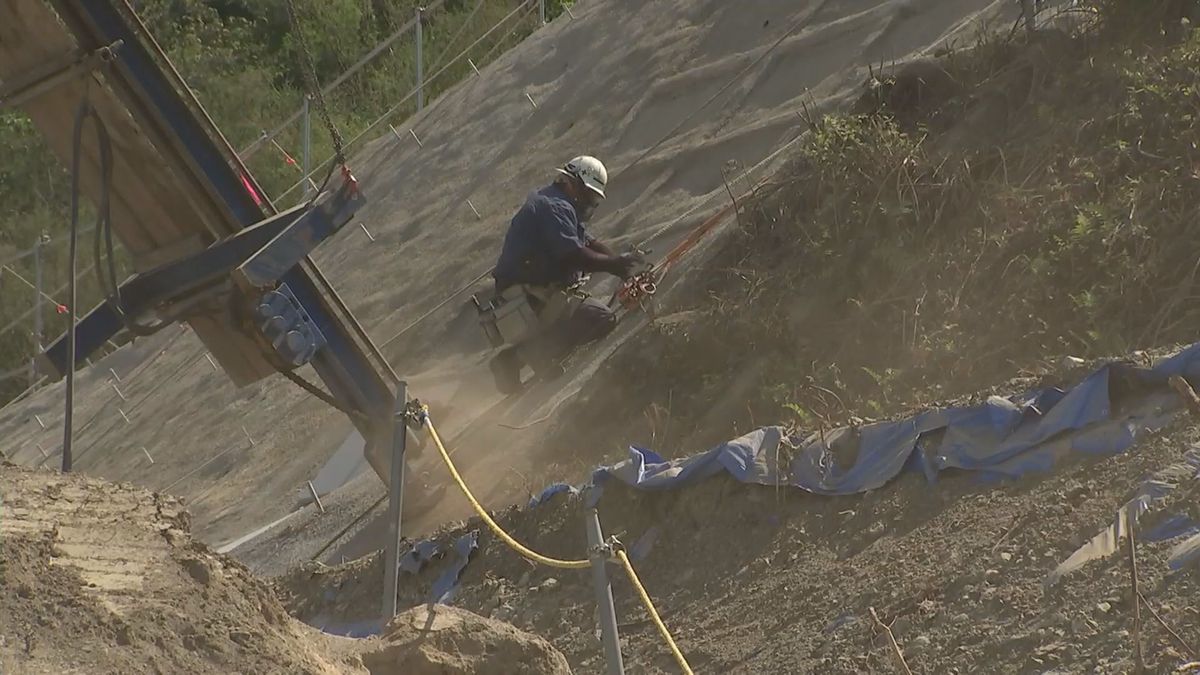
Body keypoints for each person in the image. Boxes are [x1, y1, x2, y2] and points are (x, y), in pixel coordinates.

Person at [487, 155, 639, 393]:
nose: (590, 202)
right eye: (589, 195)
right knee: (600, 319)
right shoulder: (556, 207)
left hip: (532, 292)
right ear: (573, 183)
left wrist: (622, 267)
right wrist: (615, 265)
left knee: (589, 314)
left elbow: (589, 243)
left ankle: (520, 358)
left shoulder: (555, 201)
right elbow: (574, 256)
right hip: (530, 296)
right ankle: (521, 358)